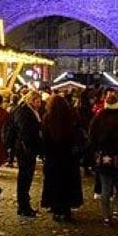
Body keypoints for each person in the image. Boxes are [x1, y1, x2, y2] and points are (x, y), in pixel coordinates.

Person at [88, 92, 118, 225]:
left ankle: (106, 216)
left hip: (103, 157)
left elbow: (92, 138)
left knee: (105, 187)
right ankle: (116, 212)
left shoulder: (98, 118)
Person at [41, 94, 84, 222]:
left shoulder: (47, 118)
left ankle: (56, 209)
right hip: (68, 157)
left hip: (53, 157)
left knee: (54, 183)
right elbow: (78, 136)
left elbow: (44, 139)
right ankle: (66, 210)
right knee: (68, 183)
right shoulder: (71, 117)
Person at [9, 90, 43, 217]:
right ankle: (24, 206)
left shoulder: (25, 110)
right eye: (37, 101)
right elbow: (25, 132)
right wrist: (32, 146)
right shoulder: (25, 112)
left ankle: (23, 205)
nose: (39, 104)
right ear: (31, 100)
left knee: (25, 177)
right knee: (25, 177)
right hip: (25, 149)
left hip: (25, 148)